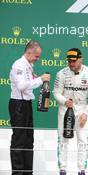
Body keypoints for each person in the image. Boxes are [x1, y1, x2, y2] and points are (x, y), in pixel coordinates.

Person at [53, 48, 88, 175]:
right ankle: (62, 169)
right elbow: (56, 93)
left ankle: (81, 170)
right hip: (65, 109)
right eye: (69, 61)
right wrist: (64, 101)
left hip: (82, 109)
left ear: (80, 59)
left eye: (74, 61)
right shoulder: (61, 73)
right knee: (62, 140)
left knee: (83, 141)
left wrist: (86, 112)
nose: (71, 64)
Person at [9, 40, 50, 175]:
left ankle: (27, 172)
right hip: (18, 105)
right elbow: (21, 86)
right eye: (36, 56)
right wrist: (41, 79)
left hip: (26, 104)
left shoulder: (28, 65)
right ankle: (17, 173)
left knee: (28, 141)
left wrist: (38, 80)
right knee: (19, 141)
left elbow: (28, 83)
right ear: (28, 52)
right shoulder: (19, 65)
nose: (37, 59)